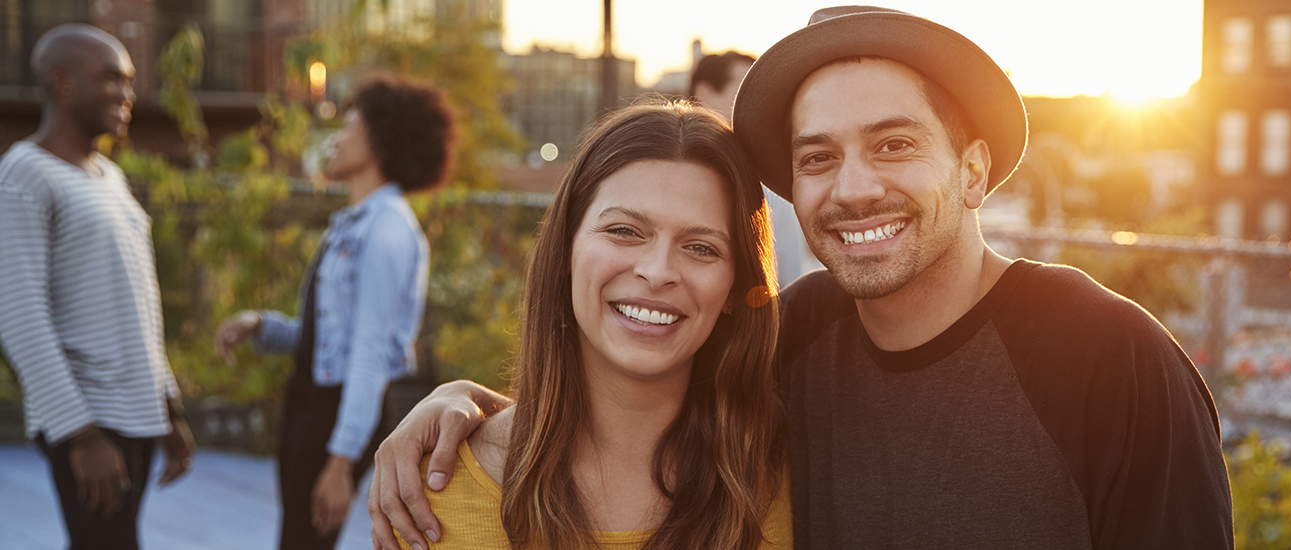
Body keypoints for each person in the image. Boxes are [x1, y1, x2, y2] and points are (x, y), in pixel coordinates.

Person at [371, 6, 1235, 550]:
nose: (853, 185)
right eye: (818, 156)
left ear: (973, 172)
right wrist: (459, 405)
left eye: (894, 144)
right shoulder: (795, 338)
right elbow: (634, 371)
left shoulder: (1110, 358)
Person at [385, 99, 791, 550]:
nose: (657, 271)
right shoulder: (432, 491)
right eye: (624, 231)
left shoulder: (787, 486)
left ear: (736, 288)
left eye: (701, 248)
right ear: (566, 249)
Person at [213, 76, 454, 550]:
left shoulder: (385, 230)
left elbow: (367, 354)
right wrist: (261, 325)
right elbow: (330, 336)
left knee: (304, 542)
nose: (336, 139)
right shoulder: (353, 225)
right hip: (312, 401)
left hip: (335, 410)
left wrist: (340, 464)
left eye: (348, 126)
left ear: (381, 140)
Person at [0, 24, 195, 550]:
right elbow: (18, 314)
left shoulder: (109, 177)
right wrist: (80, 435)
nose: (126, 94)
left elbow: (140, 304)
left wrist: (169, 410)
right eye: (110, 79)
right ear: (62, 83)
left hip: (135, 413)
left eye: (130, 81)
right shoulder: (24, 176)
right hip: (89, 420)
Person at [689, 51, 816, 288]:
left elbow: (790, 287)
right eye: (744, 92)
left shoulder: (771, 191)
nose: (759, 104)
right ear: (705, 94)